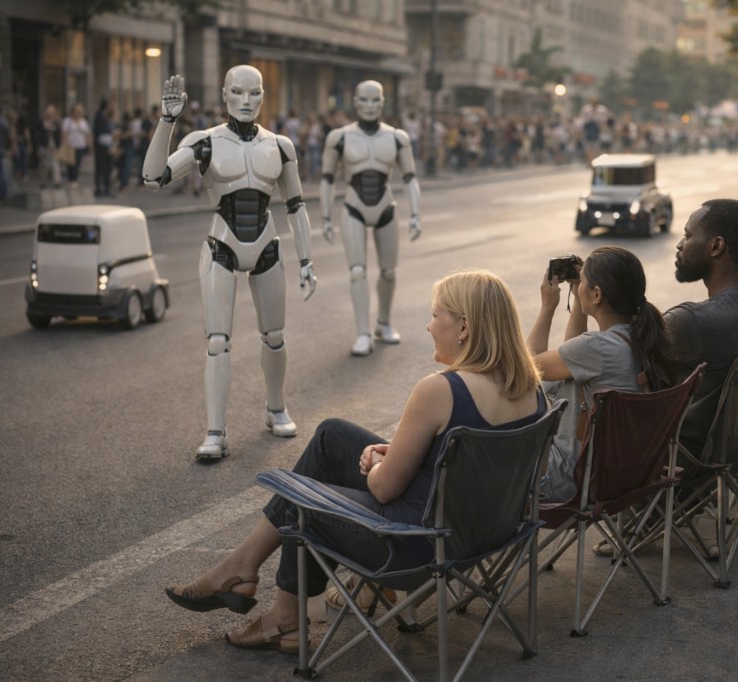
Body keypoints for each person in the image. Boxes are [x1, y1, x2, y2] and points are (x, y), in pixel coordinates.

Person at [163, 270, 546, 651]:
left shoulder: (439, 390)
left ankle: (279, 613)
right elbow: (478, 467)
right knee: (332, 436)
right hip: (485, 538)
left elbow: (384, 487)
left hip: (416, 548)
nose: (428, 326)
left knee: (302, 497)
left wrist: (379, 465)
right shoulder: (533, 391)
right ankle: (244, 571)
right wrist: (393, 454)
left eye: (436, 315)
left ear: (464, 326)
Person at [142, 67, 316, 461]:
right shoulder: (204, 142)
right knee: (218, 342)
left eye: (253, 93)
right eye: (236, 92)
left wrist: (306, 259)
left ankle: (276, 409)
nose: (245, 101)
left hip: (267, 246)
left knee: (274, 336)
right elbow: (154, 178)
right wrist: (166, 122)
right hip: (222, 244)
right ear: (224, 95)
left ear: (262, 96)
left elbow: (296, 204)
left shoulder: (281, 145)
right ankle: (215, 432)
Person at [528, 246, 677, 504]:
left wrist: (548, 307)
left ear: (596, 294)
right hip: (624, 476)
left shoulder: (597, 349)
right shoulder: (642, 337)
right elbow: (572, 356)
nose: (579, 283)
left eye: (583, 280)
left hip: (570, 481)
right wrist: (578, 298)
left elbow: (527, 371)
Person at [666, 199, 738, 457]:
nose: (679, 244)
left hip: (677, 459)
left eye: (687, 235)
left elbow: (616, 362)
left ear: (716, 246)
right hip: (736, 453)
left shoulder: (690, 321)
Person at [320, 80, 421, 356]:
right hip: (353, 206)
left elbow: (410, 177)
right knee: (357, 271)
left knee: (389, 271)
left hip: (385, 206)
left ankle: (384, 322)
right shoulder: (339, 137)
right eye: (363, 100)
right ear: (354, 101)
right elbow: (327, 179)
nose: (369, 105)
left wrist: (415, 212)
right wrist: (326, 216)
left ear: (382, 102)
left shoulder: (396, 137)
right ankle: (363, 333)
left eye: (374, 100)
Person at [61, 103, 91, 188]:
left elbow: (87, 133)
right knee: (71, 163)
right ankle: (71, 180)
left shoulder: (83, 121)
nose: (79, 113)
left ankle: (75, 179)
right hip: (71, 145)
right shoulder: (67, 121)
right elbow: (64, 132)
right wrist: (65, 143)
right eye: (77, 111)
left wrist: (89, 143)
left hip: (81, 145)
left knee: (78, 163)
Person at [33, 104, 61, 189]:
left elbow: (58, 134)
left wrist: (57, 144)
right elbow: (36, 135)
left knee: (55, 164)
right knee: (43, 165)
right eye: (48, 111)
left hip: (53, 145)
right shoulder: (40, 123)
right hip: (43, 145)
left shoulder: (56, 123)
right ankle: (43, 182)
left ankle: (57, 181)